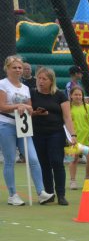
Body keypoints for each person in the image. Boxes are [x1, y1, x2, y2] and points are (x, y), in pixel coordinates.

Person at [0, 57, 54, 206]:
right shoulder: (2, 85)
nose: (18, 70)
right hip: (6, 125)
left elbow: (29, 108)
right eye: (14, 67)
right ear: (7, 68)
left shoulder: (25, 88)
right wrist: (18, 106)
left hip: (23, 127)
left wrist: (33, 111)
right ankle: (12, 194)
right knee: (10, 160)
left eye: (20, 68)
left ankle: (41, 192)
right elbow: (2, 107)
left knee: (33, 159)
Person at [30, 66, 76, 206]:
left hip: (56, 133)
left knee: (56, 162)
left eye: (44, 79)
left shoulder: (60, 95)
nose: (41, 81)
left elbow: (67, 117)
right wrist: (36, 113)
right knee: (44, 164)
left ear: (51, 81)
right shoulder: (32, 94)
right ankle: (49, 194)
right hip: (37, 133)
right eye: (39, 78)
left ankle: (61, 194)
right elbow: (28, 112)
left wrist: (73, 135)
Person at [68, 86, 89, 189]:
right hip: (74, 139)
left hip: (86, 139)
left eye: (80, 95)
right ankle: (72, 181)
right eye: (75, 94)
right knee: (73, 159)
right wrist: (69, 137)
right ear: (71, 96)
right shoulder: (68, 108)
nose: (78, 96)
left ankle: (87, 179)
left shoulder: (87, 107)